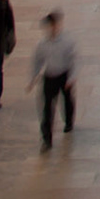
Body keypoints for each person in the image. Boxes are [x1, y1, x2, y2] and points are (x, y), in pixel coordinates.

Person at [27, 11, 77, 150]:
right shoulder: (42, 44)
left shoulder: (67, 41)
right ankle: (46, 139)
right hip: (49, 77)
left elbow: (74, 60)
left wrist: (72, 77)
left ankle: (68, 121)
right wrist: (33, 78)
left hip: (64, 75)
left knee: (67, 100)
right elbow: (37, 61)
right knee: (47, 109)